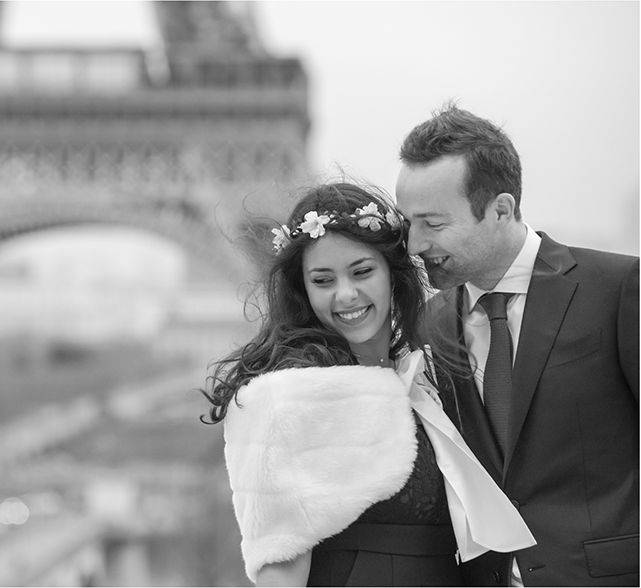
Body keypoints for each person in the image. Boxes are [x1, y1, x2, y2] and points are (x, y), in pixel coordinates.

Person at [202, 182, 535, 586]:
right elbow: (279, 571)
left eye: (362, 272)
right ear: (303, 290)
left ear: (393, 274)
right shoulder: (290, 399)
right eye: (323, 280)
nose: (346, 295)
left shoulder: (426, 375)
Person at [395, 104, 639, 587]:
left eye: (433, 224)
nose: (413, 245)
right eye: (408, 222)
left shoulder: (619, 288)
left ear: (501, 209)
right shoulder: (426, 323)